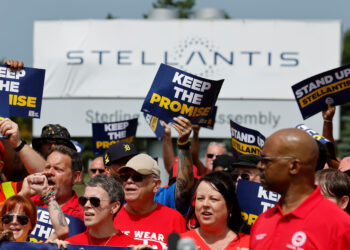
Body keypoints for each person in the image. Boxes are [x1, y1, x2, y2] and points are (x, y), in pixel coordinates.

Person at [250, 128, 350, 249]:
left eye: (266, 161)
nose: (259, 166)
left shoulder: (339, 225)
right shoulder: (263, 220)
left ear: (294, 166)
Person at [114, 153, 187, 249]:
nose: (129, 181)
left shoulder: (174, 219)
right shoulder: (110, 217)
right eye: (125, 177)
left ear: (156, 185)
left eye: (137, 177)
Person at [48, 175, 140, 248]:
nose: (87, 205)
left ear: (114, 207)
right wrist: (49, 248)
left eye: (94, 201)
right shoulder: (70, 245)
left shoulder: (131, 247)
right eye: (83, 200)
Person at [181, 171, 250, 250]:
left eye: (213, 199)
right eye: (200, 198)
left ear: (230, 206)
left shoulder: (249, 244)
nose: (205, 204)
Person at [28, 145, 84, 220]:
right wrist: (22, 194)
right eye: (47, 167)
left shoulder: (83, 215)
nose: (49, 172)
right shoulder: (30, 202)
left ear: (75, 177)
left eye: (58, 169)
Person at [0, 192, 68, 242]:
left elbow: (62, 230)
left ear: (31, 225)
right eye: (8, 218)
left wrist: (47, 193)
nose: (14, 222)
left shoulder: (37, 247)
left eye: (22, 219)